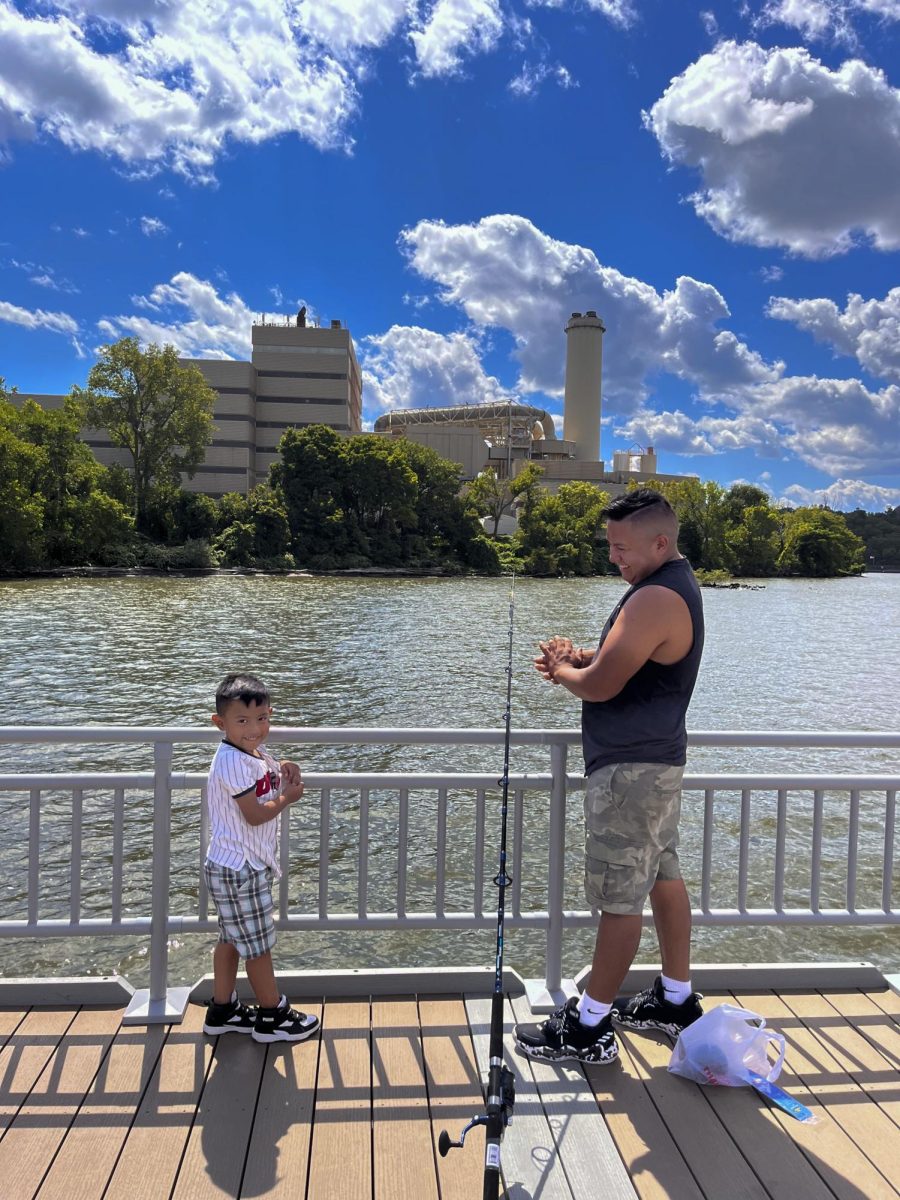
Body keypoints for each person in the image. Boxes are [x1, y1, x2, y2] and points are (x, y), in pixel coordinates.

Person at [514, 489, 705, 1065]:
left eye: (621, 548)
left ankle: (588, 1025)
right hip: (655, 765)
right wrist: (573, 660)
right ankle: (675, 999)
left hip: (631, 773)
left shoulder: (653, 597)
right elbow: (618, 659)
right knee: (662, 878)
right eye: (611, 547)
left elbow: (600, 685)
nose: (613, 558)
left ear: (660, 541)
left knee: (620, 901)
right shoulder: (673, 586)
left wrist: (569, 672)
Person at [202, 672, 320, 1044]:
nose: (254, 729)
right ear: (220, 723)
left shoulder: (246, 752)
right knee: (258, 946)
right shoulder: (233, 761)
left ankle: (223, 1010)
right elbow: (254, 814)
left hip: (232, 864)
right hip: (240, 867)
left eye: (262, 719)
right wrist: (287, 799)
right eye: (242, 721)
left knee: (232, 940)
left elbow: (263, 776)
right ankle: (273, 1015)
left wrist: (284, 769)